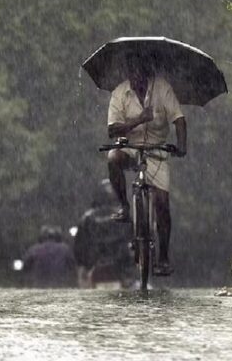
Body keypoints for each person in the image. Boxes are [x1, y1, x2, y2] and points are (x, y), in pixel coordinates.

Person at [106, 51, 186, 276]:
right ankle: (123, 206)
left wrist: (181, 146)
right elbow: (112, 130)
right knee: (113, 158)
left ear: (148, 74)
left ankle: (163, 257)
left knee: (162, 203)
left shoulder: (162, 89)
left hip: (157, 151)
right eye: (132, 75)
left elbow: (179, 120)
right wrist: (139, 119)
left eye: (140, 75)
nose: (136, 80)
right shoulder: (120, 93)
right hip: (130, 147)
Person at [73, 179, 132, 287]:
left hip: (95, 267)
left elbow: (79, 247)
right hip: (120, 268)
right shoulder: (124, 217)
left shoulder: (87, 218)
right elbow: (133, 241)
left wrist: (83, 266)